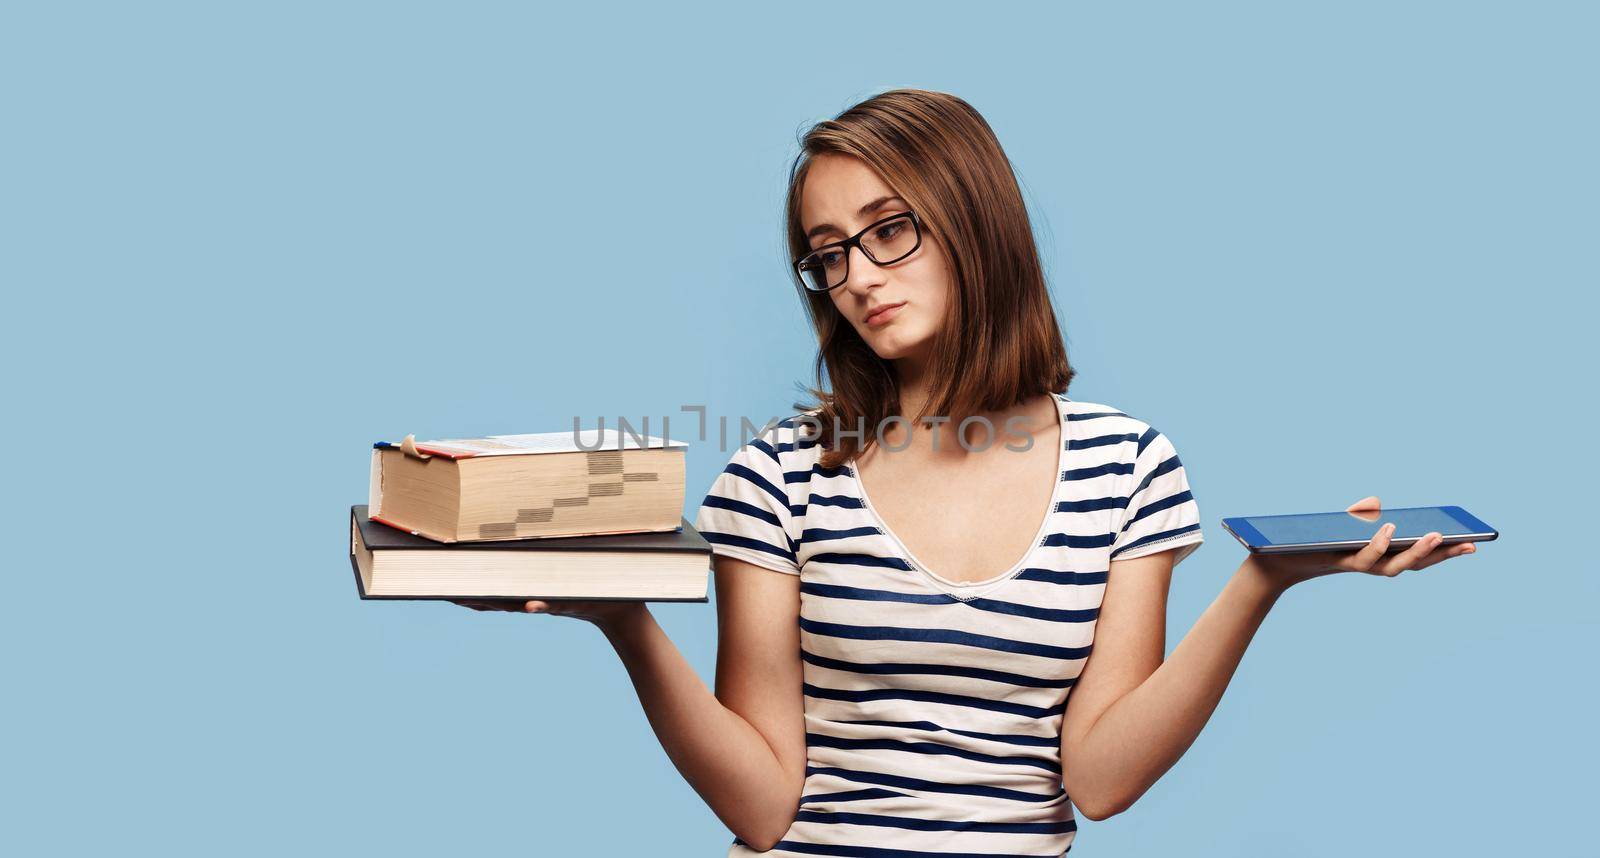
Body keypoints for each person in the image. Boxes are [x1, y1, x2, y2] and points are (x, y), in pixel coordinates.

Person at [453, 88, 1477, 855]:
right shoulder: (780, 476)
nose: (857, 276)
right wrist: (624, 622)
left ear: (973, 219)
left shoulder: (1126, 466)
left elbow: (1101, 779)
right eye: (828, 254)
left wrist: (1261, 584)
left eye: (887, 230)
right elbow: (762, 806)